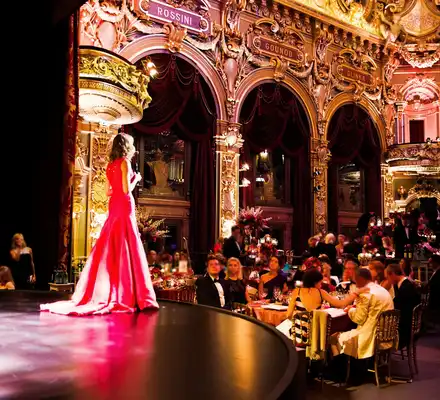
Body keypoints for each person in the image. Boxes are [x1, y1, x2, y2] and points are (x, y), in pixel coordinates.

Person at [40, 133, 158, 315]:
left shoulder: (111, 165)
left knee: (112, 241)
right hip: (124, 204)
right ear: (126, 146)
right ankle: (127, 292)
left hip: (114, 205)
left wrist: (124, 185)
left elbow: (108, 192)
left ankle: (108, 290)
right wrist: (136, 179)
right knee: (127, 241)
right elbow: (127, 190)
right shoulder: (124, 162)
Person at [331, 268, 394, 359]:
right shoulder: (381, 289)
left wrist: (349, 310)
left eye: (356, 281)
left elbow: (359, 319)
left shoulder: (364, 294)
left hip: (370, 335)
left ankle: (341, 368)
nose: (356, 285)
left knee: (333, 337)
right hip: (386, 333)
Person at [287, 268, 364, 319]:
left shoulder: (296, 291)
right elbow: (341, 304)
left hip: (298, 331)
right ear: (315, 282)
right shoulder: (321, 292)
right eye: (320, 283)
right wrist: (355, 294)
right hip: (314, 331)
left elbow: (289, 315)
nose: (321, 285)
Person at [386, 263, 420, 349]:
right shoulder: (403, 284)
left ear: (392, 274)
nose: (388, 280)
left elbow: (398, 307)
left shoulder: (406, 287)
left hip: (405, 329)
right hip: (406, 322)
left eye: (387, 277)